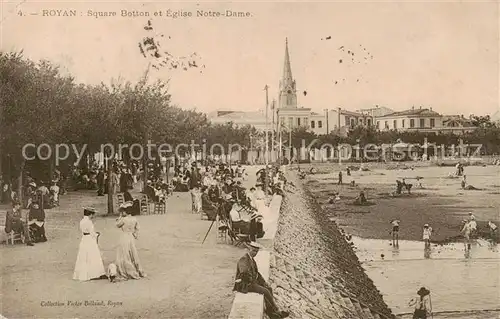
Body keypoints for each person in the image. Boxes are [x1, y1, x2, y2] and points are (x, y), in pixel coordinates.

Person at [233, 242, 289, 319]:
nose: (255, 253)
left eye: (256, 251)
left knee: (269, 288)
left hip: (251, 282)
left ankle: (271, 312)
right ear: (249, 249)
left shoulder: (251, 259)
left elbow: (257, 273)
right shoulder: (244, 259)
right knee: (265, 291)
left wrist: (263, 282)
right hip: (245, 285)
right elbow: (244, 273)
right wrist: (253, 281)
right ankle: (276, 311)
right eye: (253, 250)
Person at [114, 202, 146, 280]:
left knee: (124, 254)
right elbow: (137, 228)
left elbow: (117, 225)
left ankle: (125, 270)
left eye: (123, 211)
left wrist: (120, 217)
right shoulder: (134, 219)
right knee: (132, 253)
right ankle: (136, 269)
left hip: (124, 237)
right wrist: (135, 234)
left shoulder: (124, 219)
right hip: (131, 237)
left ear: (126, 212)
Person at [73, 208, 106, 281]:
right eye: (92, 215)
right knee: (93, 255)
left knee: (84, 256)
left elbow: (82, 231)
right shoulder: (89, 222)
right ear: (90, 214)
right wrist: (97, 234)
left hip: (84, 239)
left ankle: (85, 273)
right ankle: (95, 273)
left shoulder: (81, 221)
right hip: (90, 239)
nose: (92, 216)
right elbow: (92, 232)